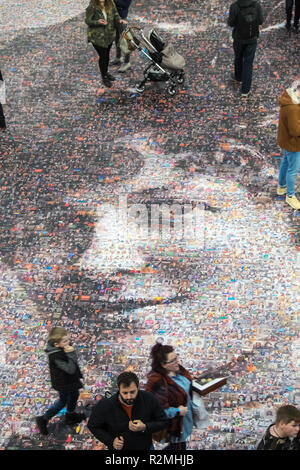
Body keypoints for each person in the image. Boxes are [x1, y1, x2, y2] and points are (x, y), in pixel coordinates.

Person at [87, 371, 167, 450]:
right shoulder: (106, 404)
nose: (129, 396)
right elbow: (93, 425)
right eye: (125, 393)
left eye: (132, 392)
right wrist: (111, 441)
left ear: (138, 387)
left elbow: (163, 421)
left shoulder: (149, 398)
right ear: (119, 389)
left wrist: (145, 427)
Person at [35, 327, 86, 436]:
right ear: (57, 344)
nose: (69, 343)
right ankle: (43, 419)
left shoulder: (61, 348)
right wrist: (71, 353)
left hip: (69, 380)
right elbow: (70, 369)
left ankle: (70, 415)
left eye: (68, 339)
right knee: (63, 401)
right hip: (63, 383)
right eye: (65, 341)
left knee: (75, 394)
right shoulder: (55, 355)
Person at [145, 343, 194, 451]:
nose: (177, 361)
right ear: (163, 364)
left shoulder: (179, 370)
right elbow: (158, 411)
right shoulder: (158, 382)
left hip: (183, 423)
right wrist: (177, 410)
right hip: (174, 426)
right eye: (172, 360)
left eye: (176, 357)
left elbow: (185, 387)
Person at [85, 0, 127, 88]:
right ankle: (104, 77)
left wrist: (120, 21)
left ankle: (106, 73)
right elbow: (88, 20)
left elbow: (116, 16)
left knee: (107, 55)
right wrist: (98, 22)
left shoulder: (111, 3)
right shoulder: (92, 6)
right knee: (103, 56)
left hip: (109, 36)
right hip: (97, 37)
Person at [228, 0, 264, 97]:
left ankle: (238, 77)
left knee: (238, 57)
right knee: (248, 63)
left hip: (239, 38)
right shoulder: (256, 5)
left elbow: (231, 23)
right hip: (252, 39)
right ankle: (245, 90)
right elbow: (261, 20)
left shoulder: (235, 6)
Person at [277, 86, 300, 210]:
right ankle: (290, 196)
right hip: (293, 143)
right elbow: (295, 131)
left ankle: (282, 187)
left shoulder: (288, 100)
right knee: (293, 170)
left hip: (286, 141)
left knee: (285, 162)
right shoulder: (293, 108)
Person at [112, 0, 133, 72]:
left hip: (122, 18)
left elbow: (125, 4)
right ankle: (118, 57)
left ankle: (127, 62)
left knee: (125, 40)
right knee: (117, 38)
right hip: (114, 17)